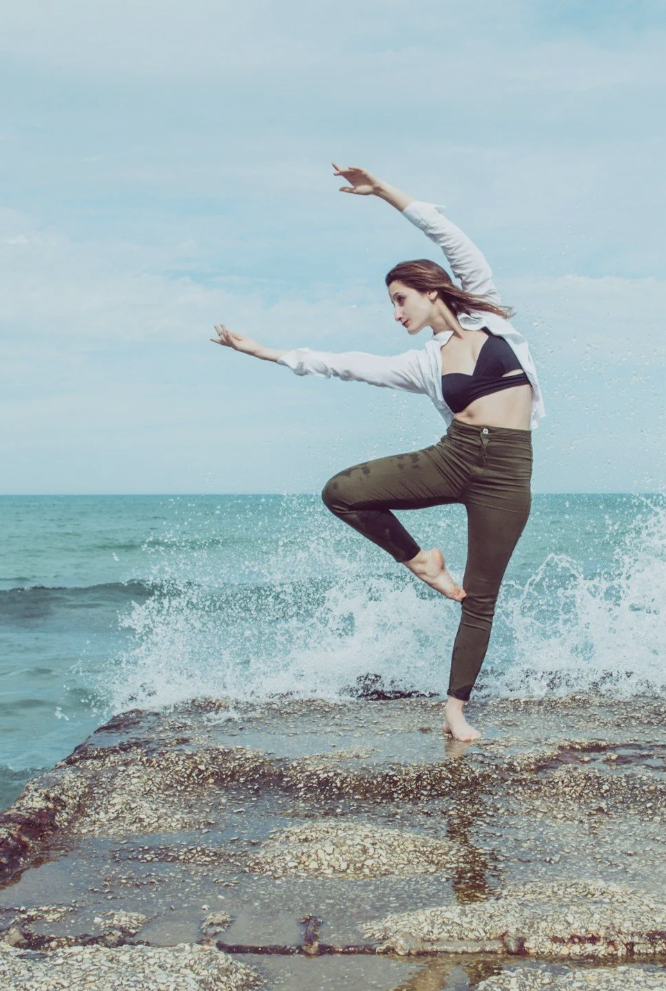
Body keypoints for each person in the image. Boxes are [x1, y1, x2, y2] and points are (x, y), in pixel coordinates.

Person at [212, 164, 544, 741]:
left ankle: (455, 711)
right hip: (455, 457)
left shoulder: (489, 316)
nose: (396, 314)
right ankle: (419, 562)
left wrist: (383, 191)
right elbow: (344, 363)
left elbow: (447, 235)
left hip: (508, 475)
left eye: (400, 300)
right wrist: (264, 352)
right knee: (342, 492)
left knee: (480, 597)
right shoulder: (423, 363)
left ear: (431, 290)